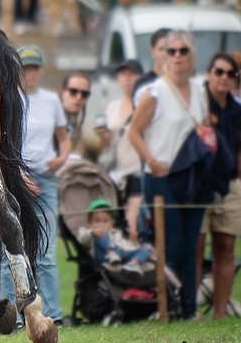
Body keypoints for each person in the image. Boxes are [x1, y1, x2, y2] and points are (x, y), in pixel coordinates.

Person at [127, 30, 207, 320]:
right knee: (172, 245)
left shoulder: (199, 90)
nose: (177, 56)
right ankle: (168, 307)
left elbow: (204, 129)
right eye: (171, 51)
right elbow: (133, 132)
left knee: (191, 245)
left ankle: (190, 308)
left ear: (191, 55)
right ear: (164, 55)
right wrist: (152, 161)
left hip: (193, 177)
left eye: (183, 51)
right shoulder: (154, 92)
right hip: (162, 178)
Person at [0, 45, 71, 325]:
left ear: (41, 70)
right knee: (12, 249)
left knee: (46, 253)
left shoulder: (52, 101)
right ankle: (11, 315)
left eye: (34, 68)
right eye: (24, 68)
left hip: (46, 179)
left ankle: (54, 314)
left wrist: (61, 158)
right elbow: (2, 143)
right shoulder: (7, 99)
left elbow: (63, 139)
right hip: (15, 180)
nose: (29, 74)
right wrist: (20, 176)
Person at [196, 53, 241, 319]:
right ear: (209, 74)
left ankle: (220, 313)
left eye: (230, 73)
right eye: (219, 72)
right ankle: (190, 310)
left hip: (230, 184)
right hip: (200, 184)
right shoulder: (197, 103)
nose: (224, 77)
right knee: (197, 249)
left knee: (226, 247)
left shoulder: (237, 111)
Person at [94, 59, 144, 241]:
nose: (127, 78)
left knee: (132, 226)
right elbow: (107, 147)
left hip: (138, 172)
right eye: (123, 74)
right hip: (116, 175)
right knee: (116, 227)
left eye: (132, 74)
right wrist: (103, 137)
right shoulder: (112, 107)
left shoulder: (145, 104)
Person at [77, 199, 151, 275]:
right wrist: (91, 232)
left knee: (145, 249)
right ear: (89, 221)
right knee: (100, 232)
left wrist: (133, 241)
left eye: (105, 221)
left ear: (112, 223)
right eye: (97, 221)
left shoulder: (116, 232)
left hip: (119, 255)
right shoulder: (85, 230)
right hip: (102, 256)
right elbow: (81, 240)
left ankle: (132, 264)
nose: (101, 224)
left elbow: (125, 248)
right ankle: (111, 253)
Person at [133, 28, 170, 100]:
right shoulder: (143, 83)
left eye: (170, 49)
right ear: (152, 52)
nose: (166, 54)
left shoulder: (184, 82)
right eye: (161, 49)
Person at [59, 71, 91, 153]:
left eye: (84, 94)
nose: (79, 97)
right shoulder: (48, 121)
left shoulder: (75, 126)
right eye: (73, 91)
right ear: (62, 93)